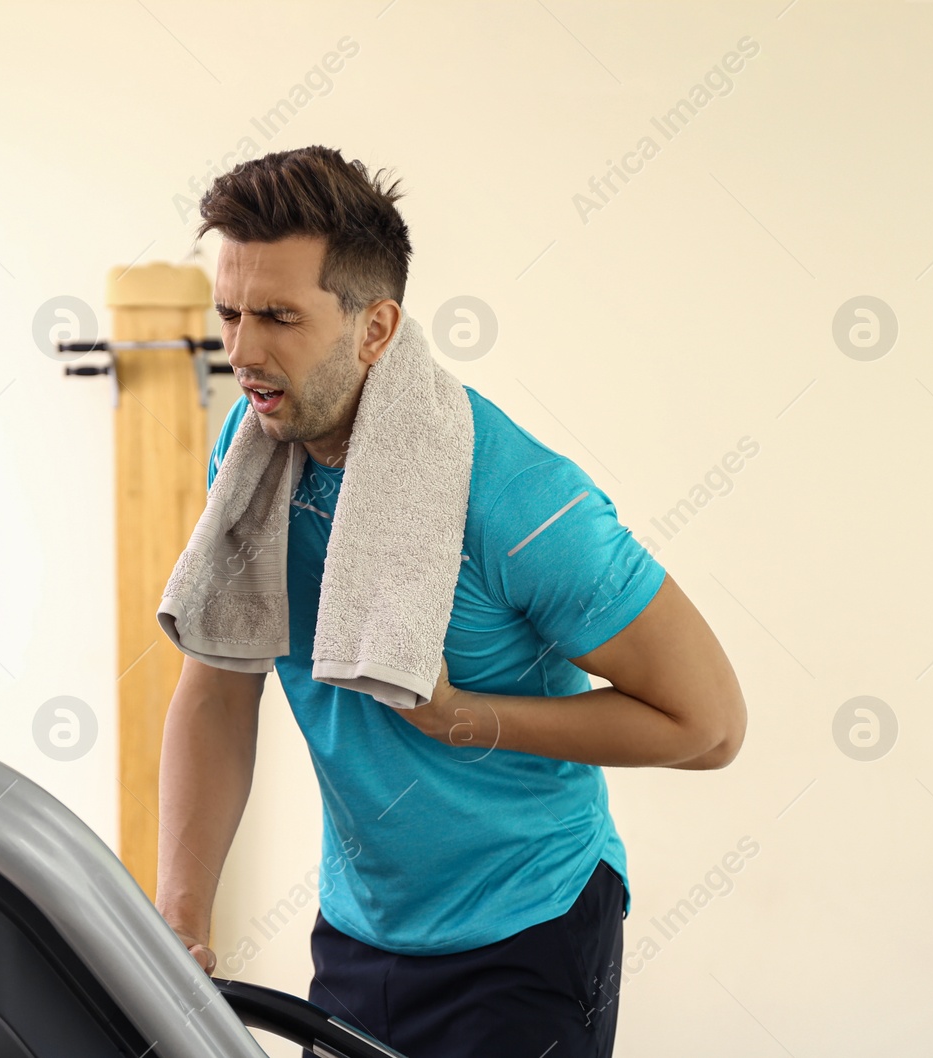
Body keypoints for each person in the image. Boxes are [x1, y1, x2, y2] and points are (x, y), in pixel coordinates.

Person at [154, 145, 747, 1058]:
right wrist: (179, 915)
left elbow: (709, 726)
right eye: (229, 313)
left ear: (376, 326)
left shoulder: (518, 500)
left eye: (279, 317)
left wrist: (463, 716)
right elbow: (219, 688)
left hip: (527, 932)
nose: (241, 351)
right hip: (361, 927)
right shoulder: (253, 451)